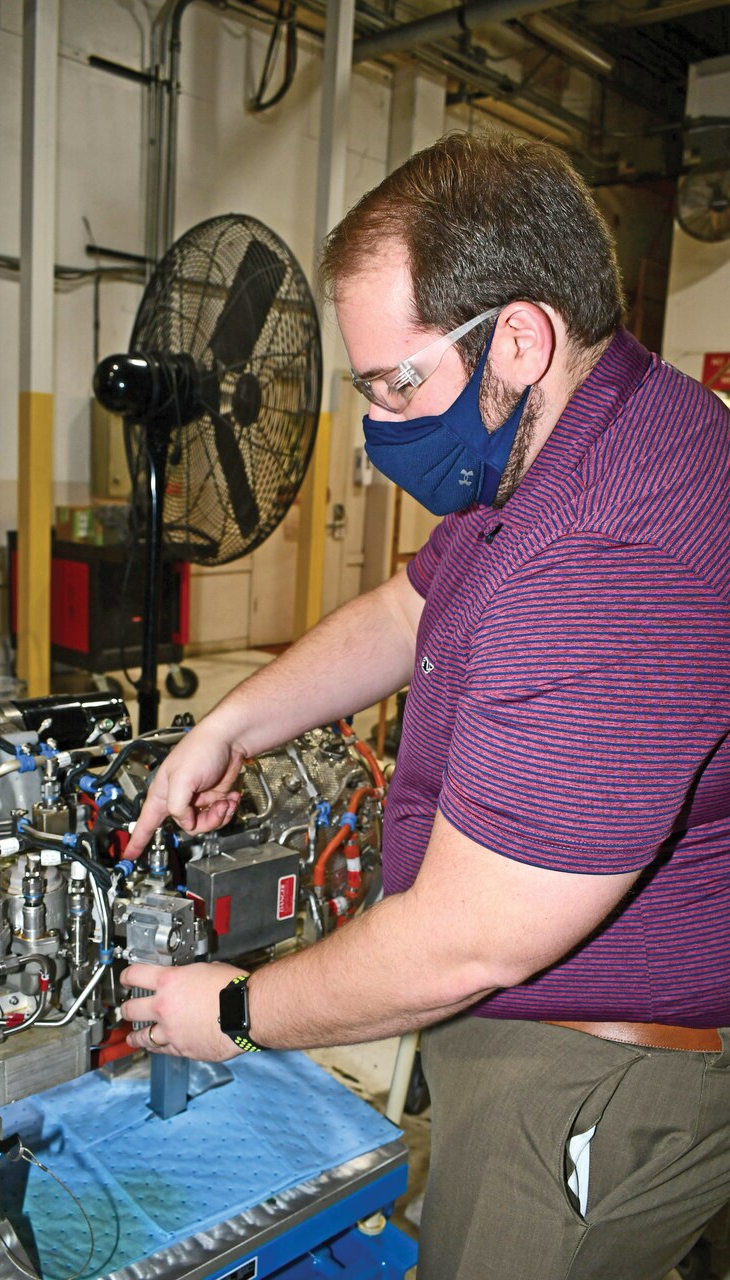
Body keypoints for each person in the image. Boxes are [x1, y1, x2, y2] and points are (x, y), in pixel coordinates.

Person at [120, 131, 730, 1279]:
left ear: (517, 337)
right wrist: (229, 726)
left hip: (586, 1075)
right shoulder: (585, 432)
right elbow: (408, 608)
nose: (383, 430)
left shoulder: (609, 553)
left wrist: (235, 1012)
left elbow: (462, 943)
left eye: (399, 384)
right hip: (540, 1025)